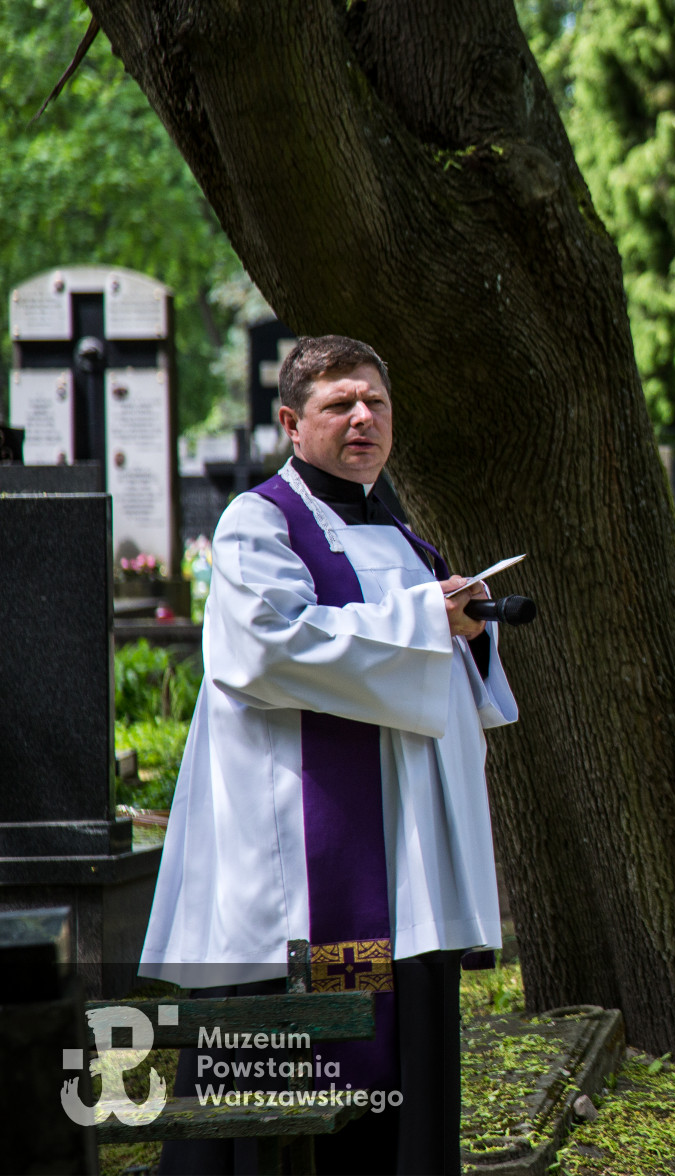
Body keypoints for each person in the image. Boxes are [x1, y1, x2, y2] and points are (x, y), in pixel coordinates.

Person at [142, 335, 517, 1174]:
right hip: (295, 870)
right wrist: (427, 621)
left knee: (395, 1089)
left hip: (402, 868)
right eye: (339, 403)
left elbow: (447, 684)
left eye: (376, 403)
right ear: (290, 421)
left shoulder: (404, 534)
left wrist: (471, 630)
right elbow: (267, 650)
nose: (362, 418)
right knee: (272, 1096)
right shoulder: (259, 522)